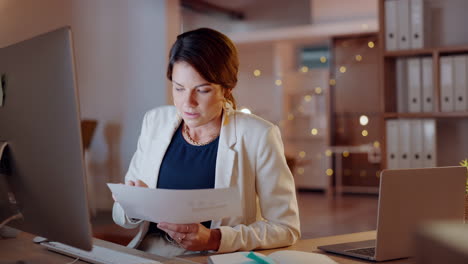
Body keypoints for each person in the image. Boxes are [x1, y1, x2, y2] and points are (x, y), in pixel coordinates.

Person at [112, 28, 300, 257]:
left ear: (227, 88)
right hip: (149, 254)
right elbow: (122, 217)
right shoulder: (155, 122)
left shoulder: (258, 135)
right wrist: (133, 204)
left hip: (210, 258)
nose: (187, 103)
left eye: (202, 90)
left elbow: (285, 228)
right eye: (179, 88)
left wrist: (214, 238)